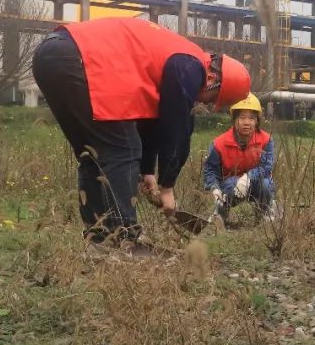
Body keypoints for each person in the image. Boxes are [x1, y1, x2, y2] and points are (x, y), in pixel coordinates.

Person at [32, 17, 250, 252]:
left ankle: (99, 241)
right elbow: (176, 124)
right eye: (212, 99)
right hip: (79, 58)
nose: (204, 103)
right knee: (122, 148)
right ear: (214, 81)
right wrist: (167, 187)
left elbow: (151, 119)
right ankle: (125, 239)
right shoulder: (191, 65)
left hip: (50, 56)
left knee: (92, 155)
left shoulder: (177, 55)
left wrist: (146, 170)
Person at [203, 93, 276, 222]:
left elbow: (266, 167)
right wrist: (214, 188)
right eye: (242, 117)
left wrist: (248, 177)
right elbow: (210, 170)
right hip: (229, 186)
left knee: (266, 184)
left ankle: (267, 212)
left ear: (257, 121)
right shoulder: (219, 144)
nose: (246, 122)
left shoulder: (266, 140)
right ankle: (220, 215)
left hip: (257, 184)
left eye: (251, 118)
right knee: (231, 184)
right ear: (234, 119)